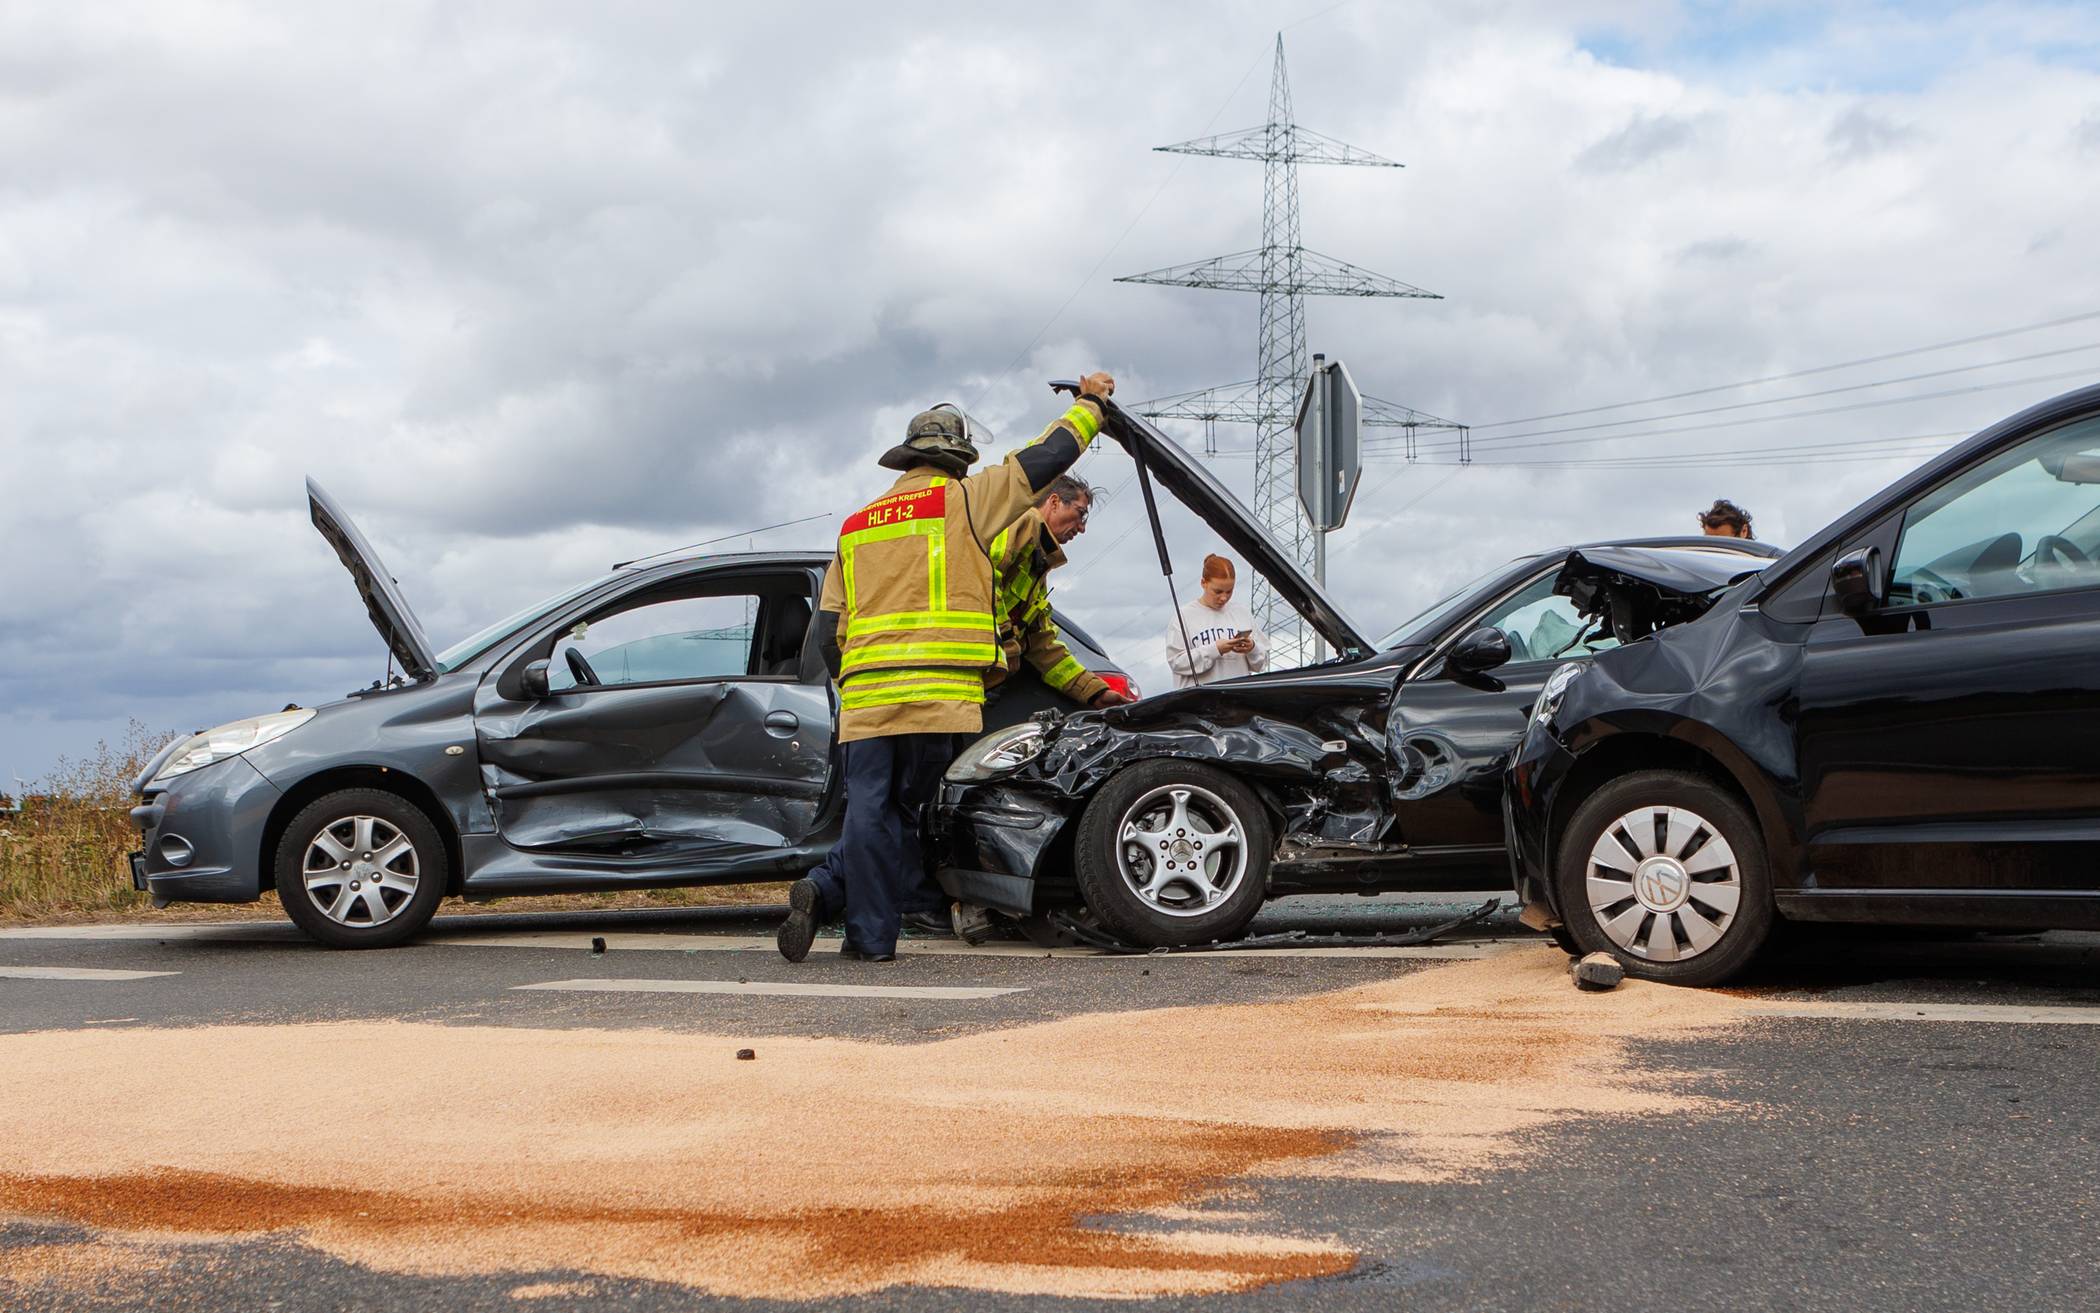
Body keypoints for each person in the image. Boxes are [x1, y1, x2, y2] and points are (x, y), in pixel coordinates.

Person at [777, 371, 1116, 964]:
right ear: (957, 456)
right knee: (914, 813)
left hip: (865, 703)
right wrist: (1092, 402)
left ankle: (866, 937)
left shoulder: (856, 525)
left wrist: (852, 684)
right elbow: (1051, 455)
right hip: (939, 698)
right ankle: (842, 901)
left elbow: (829, 629)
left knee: (869, 813)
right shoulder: (964, 500)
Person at [984, 475, 1133, 712]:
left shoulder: (1035, 565)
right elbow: (983, 577)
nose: (1082, 528)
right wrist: (1006, 642)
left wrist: (1094, 692)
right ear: (1054, 502)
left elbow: (1041, 644)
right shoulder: (1020, 522)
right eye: (1080, 513)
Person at [1166, 554, 1268, 688]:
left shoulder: (1242, 613)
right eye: (1218, 591)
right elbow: (1177, 663)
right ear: (1203, 583)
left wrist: (1252, 648)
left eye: (1229, 591)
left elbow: (1261, 664)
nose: (1224, 598)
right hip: (1198, 704)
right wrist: (1215, 649)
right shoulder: (1184, 616)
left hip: (1237, 701)